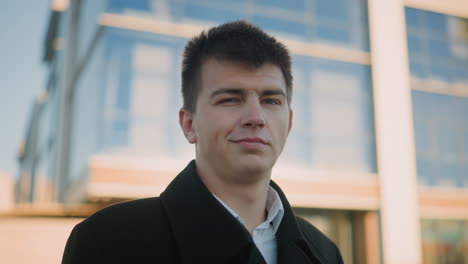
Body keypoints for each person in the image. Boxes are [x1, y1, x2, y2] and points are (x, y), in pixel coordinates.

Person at [62, 20, 343, 264]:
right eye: (230, 99)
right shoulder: (108, 241)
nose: (256, 117)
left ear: (289, 123)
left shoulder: (324, 252)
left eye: (271, 100)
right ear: (188, 124)